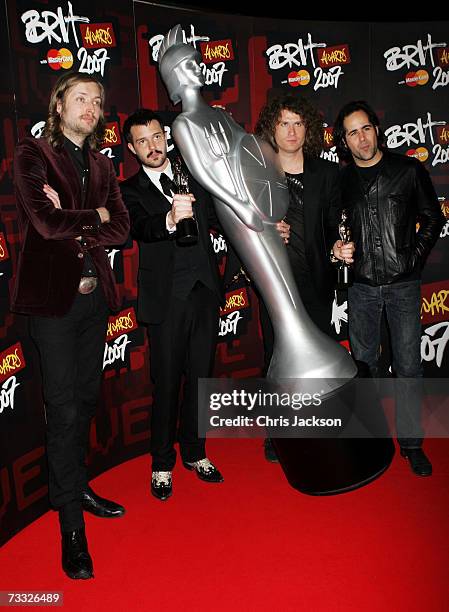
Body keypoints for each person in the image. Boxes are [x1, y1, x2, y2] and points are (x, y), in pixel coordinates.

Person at [12, 72, 130, 579]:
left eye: (97, 100)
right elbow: (43, 221)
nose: (90, 105)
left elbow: (121, 226)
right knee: (61, 408)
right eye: (80, 97)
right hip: (53, 305)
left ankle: (76, 483)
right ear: (59, 105)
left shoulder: (104, 163)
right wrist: (95, 214)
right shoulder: (32, 155)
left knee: (84, 400)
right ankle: (70, 527)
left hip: (94, 301)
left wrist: (82, 213)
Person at [333, 100, 445, 477]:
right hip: (361, 287)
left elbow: (433, 217)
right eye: (352, 132)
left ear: (376, 129)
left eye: (366, 128)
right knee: (363, 366)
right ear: (344, 141)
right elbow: (332, 228)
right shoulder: (341, 181)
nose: (361, 138)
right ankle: (368, 442)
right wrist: (337, 248)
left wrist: (411, 259)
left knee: (409, 367)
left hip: (403, 286)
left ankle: (412, 444)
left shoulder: (407, 170)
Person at [120, 109, 226, 502]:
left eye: (155, 137)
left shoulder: (191, 173)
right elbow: (138, 228)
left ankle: (195, 452)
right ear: (132, 149)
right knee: (167, 384)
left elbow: (221, 215)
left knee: (201, 380)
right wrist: (167, 218)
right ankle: (162, 462)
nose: (152, 146)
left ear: (165, 136)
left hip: (204, 292)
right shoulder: (129, 190)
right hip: (167, 299)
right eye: (142, 141)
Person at [255, 94, 354, 462]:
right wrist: (267, 230)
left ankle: (324, 424)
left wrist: (336, 251)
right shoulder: (259, 172)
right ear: (272, 128)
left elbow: (333, 227)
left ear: (307, 128)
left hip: (317, 281)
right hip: (276, 283)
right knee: (276, 355)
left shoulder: (326, 174)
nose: (292, 131)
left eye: (298, 123)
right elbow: (236, 222)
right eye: (284, 123)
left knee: (323, 349)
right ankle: (278, 434)